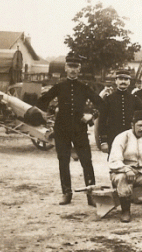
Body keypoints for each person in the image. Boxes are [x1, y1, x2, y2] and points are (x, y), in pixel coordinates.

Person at [36, 52, 103, 205]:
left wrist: (91, 116)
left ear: (80, 69)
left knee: (86, 161)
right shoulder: (59, 87)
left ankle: (91, 194)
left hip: (80, 130)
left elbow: (100, 103)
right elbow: (41, 102)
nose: (73, 70)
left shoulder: (84, 88)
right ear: (66, 68)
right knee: (63, 161)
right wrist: (51, 113)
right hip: (62, 130)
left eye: (76, 67)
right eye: (70, 66)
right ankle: (66, 193)